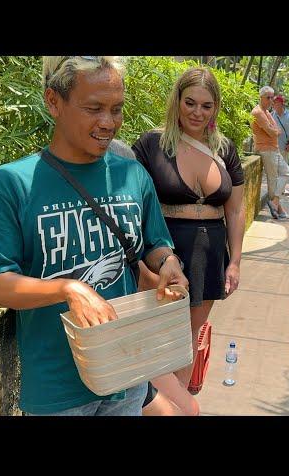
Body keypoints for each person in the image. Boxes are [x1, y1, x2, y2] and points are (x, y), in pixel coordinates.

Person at [0, 56, 188, 416]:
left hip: (126, 373)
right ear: (53, 101)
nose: (108, 123)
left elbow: (154, 244)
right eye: (94, 108)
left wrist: (169, 263)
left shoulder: (133, 176)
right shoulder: (11, 185)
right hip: (56, 388)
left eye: (117, 109)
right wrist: (69, 289)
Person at [131, 67, 246, 390]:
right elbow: (132, 206)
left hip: (209, 253)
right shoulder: (151, 145)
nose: (197, 112)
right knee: (159, 336)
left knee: (188, 337)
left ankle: (179, 401)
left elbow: (235, 210)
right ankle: (155, 402)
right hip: (163, 252)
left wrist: (234, 261)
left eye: (206, 105)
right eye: (190, 102)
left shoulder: (225, 150)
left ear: (216, 108)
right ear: (177, 101)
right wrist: (140, 264)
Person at [109, 139, 199, 416]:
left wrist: (168, 265)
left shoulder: (132, 222)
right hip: (112, 353)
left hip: (136, 347)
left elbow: (151, 276)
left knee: (190, 409)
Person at [251, 86, 289, 219]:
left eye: (272, 98)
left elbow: (277, 130)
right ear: (261, 97)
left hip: (273, 149)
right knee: (273, 179)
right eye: (268, 98)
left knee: (286, 172)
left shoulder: (267, 113)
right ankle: (277, 208)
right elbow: (273, 132)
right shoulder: (258, 112)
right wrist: (274, 131)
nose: (270, 100)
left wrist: (274, 131)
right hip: (266, 149)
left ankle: (274, 203)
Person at [271, 94, 289, 196]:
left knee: (284, 168)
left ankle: (281, 189)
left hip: (285, 147)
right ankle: (276, 189)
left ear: (282, 104)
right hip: (273, 147)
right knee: (275, 168)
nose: (274, 105)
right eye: (274, 103)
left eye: (277, 103)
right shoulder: (271, 115)